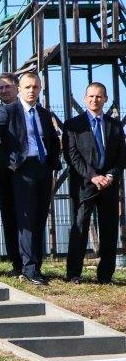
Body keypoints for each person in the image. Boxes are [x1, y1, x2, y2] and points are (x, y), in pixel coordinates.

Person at [0, 71, 61, 285]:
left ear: (40, 89)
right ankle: (28, 269)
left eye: (35, 87)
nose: (32, 91)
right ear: (19, 89)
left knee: (39, 219)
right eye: (27, 87)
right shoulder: (8, 111)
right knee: (25, 220)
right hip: (22, 169)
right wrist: (9, 162)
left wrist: (54, 163)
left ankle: (36, 266)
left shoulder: (44, 114)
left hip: (43, 169)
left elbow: (53, 141)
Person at [64, 82, 124, 284]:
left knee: (109, 229)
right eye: (90, 96)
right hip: (84, 184)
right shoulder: (73, 124)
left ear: (105, 99)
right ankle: (74, 273)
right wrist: (92, 176)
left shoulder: (115, 126)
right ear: (84, 98)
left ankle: (105, 275)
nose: (94, 100)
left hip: (108, 184)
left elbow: (122, 156)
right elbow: (72, 155)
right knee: (80, 227)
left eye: (99, 97)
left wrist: (110, 176)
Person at [0, 72, 21, 274]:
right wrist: (6, 163)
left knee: (29, 219)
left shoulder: (28, 111)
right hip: (6, 174)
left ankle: (31, 261)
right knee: (9, 218)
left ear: (17, 87)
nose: (3, 91)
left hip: (29, 173)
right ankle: (16, 263)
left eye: (7, 87)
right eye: (0, 88)